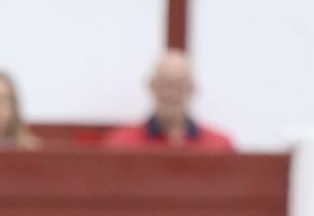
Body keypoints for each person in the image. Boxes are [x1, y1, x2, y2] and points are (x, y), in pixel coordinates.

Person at [92, 49, 234, 151]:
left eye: (178, 85)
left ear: (192, 89)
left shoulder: (219, 147)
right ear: (151, 86)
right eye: (164, 84)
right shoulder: (120, 145)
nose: (171, 94)